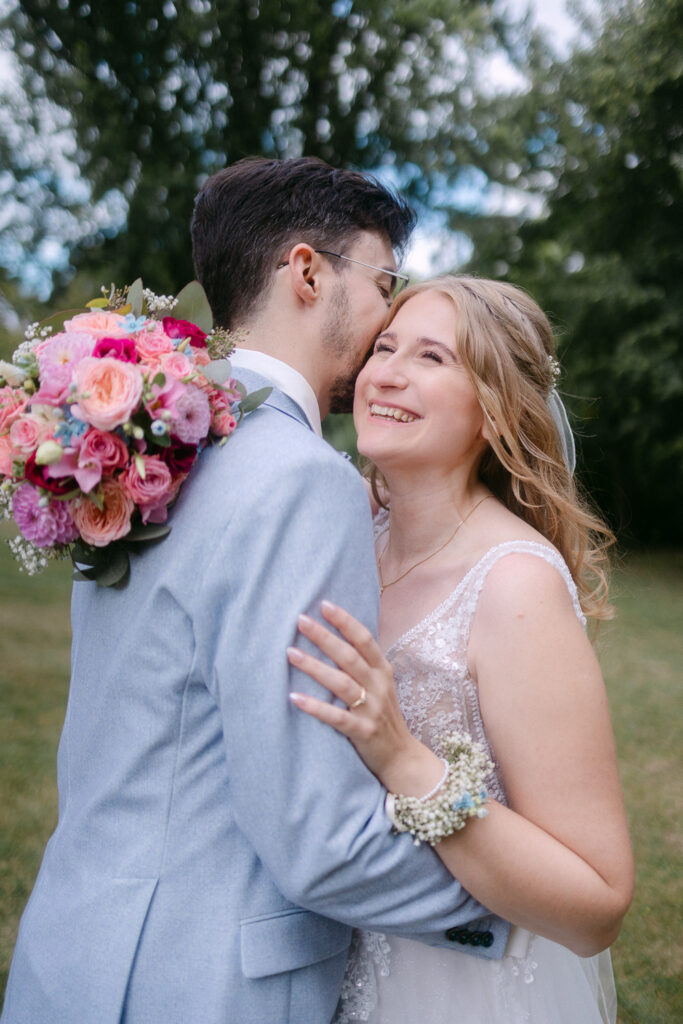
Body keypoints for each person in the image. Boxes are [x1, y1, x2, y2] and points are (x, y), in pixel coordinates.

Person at [0, 162, 511, 1024]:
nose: (391, 313)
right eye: (385, 281)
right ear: (309, 273)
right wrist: (505, 903)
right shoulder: (300, 479)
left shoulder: (143, 450)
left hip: (72, 952)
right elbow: (317, 840)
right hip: (202, 986)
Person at [288, 276, 635, 1023]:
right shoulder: (342, 530)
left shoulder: (513, 586)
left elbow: (596, 905)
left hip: (459, 993)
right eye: (384, 347)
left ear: (496, 406)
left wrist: (407, 761)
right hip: (325, 967)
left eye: (431, 357)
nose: (387, 371)